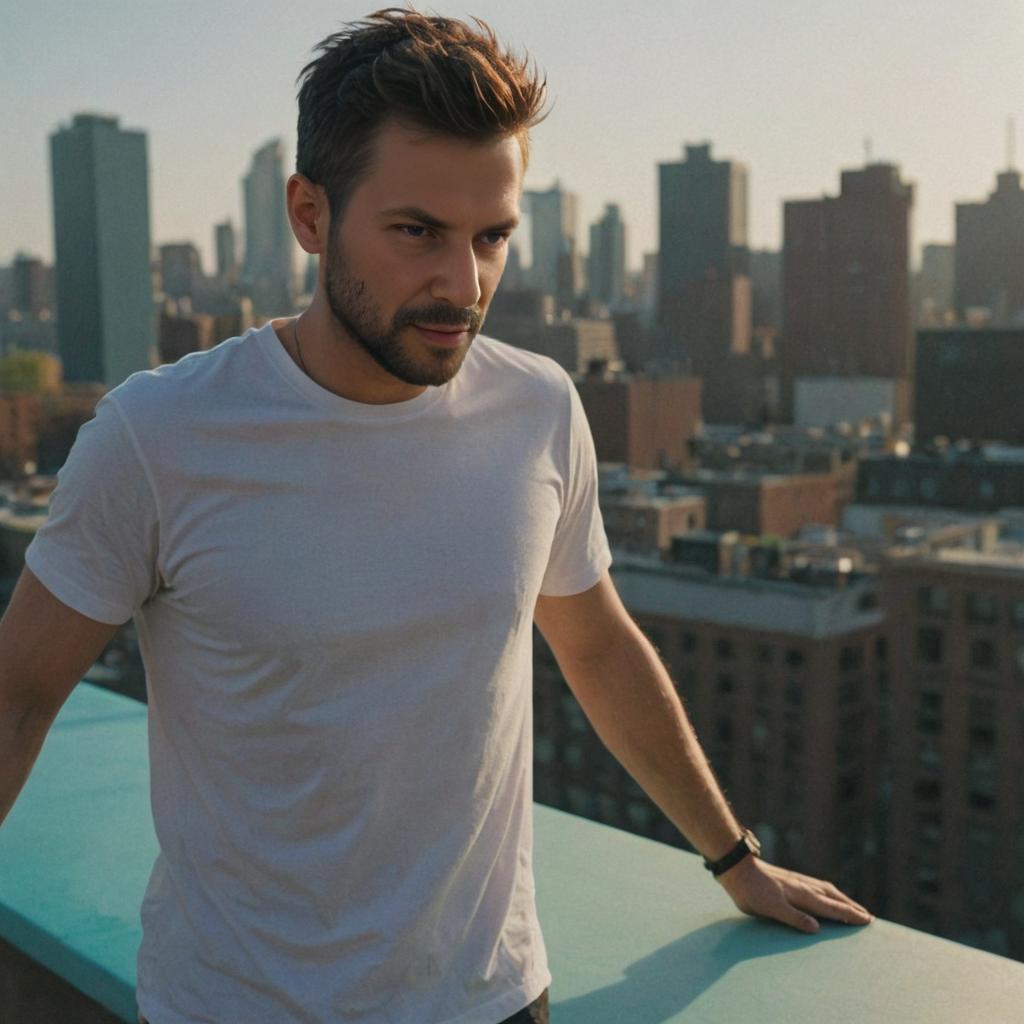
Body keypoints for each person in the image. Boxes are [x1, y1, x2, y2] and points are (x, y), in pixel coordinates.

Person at [0, 9, 871, 1023]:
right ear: (310, 215)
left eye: (491, 236)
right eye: (417, 231)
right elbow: (17, 697)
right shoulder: (156, 436)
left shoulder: (539, 407)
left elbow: (595, 645)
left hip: (492, 1001)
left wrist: (733, 857)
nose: (463, 284)